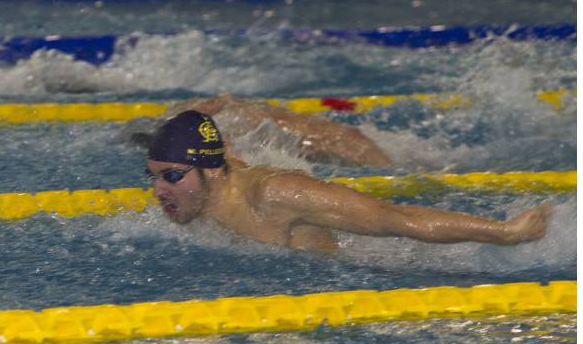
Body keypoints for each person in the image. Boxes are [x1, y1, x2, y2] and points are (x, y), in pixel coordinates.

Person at [145, 110, 549, 253]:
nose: (159, 190)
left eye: (172, 177)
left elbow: (397, 218)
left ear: (212, 171)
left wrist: (505, 233)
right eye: (155, 177)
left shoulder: (275, 194)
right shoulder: (204, 187)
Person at [134, 93, 393, 168]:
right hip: (341, 139)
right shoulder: (201, 113)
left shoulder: (197, 120)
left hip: (335, 141)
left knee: (351, 142)